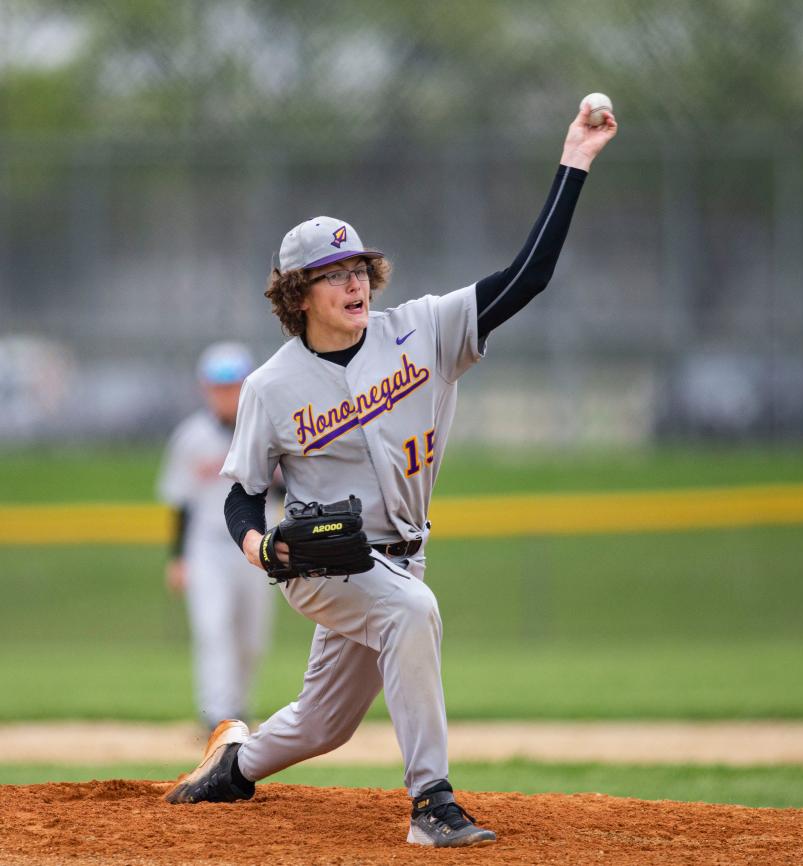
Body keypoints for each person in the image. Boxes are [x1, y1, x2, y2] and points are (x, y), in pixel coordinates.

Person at [164, 101, 617, 848]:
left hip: (401, 555)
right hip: (323, 561)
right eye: (331, 273)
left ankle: (231, 766)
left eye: (358, 267)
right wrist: (261, 550)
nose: (353, 283)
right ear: (296, 294)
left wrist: (576, 159)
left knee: (324, 723)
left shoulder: (424, 331)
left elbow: (528, 277)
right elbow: (242, 496)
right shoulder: (271, 387)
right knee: (412, 613)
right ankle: (431, 805)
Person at [157, 342, 276, 730]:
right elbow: (181, 502)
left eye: (234, 385)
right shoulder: (191, 437)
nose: (226, 393)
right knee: (213, 628)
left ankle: (239, 709)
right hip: (207, 547)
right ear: (206, 388)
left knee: (251, 637)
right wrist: (177, 558)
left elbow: (289, 489)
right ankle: (218, 717)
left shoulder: (268, 431)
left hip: (257, 547)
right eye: (218, 386)